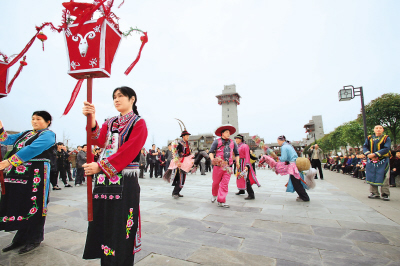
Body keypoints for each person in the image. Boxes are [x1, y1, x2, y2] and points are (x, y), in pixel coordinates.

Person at [82, 86, 147, 265]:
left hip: (125, 180)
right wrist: (92, 118)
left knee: (121, 224)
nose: (116, 99)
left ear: (132, 99)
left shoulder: (138, 122)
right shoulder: (109, 122)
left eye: (121, 96)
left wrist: (100, 166)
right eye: (114, 97)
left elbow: (129, 150)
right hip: (104, 181)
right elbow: (98, 140)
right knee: (104, 222)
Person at [0, 111, 56, 254]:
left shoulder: (48, 135)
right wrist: (0, 128)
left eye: (38, 119)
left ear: (48, 121)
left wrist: (9, 161)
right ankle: (20, 238)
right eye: (33, 119)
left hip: (37, 173)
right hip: (19, 174)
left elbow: (33, 149)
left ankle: (34, 238)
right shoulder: (26, 133)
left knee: (34, 204)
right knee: (20, 203)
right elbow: (6, 139)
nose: (34, 121)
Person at [208, 124, 240, 208]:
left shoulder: (233, 142)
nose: (228, 134)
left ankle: (221, 200)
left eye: (229, 132)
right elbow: (211, 152)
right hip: (218, 166)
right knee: (215, 183)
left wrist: (237, 162)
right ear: (222, 134)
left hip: (228, 166)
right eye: (226, 132)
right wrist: (212, 159)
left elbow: (237, 154)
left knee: (225, 184)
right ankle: (214, 195)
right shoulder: (216, 141)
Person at [272, 135, 310, 202]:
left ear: (281, 141)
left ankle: (305, 197)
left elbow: (284, 158)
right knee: (297, 181)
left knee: (296, 182)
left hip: (293, 165)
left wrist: (277, 158)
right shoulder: (289, 145)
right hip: (296, 163)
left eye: (278, 141)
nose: (278, 143)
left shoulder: (284, 147)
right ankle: (302, 196)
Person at [163, 120, 194, 199]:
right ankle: (175, 192)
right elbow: (175, 153)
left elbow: (189, 153)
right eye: (187, 136)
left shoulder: (188, 144)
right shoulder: (179, 144)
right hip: (180, 163)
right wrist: (177, 162)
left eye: (188, 136)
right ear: (183, 136)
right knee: (180, 178)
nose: (188, 137)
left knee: (183, 178)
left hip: (185, 163)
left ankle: (177, 192)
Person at [363, 125, 391, 201]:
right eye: (376, 128)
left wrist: (375, 154)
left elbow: (386, 148)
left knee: (385, 177)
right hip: (371, 160)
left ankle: (385, 194)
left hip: (383, 159)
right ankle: (374, 192)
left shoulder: (386, 138)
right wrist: (369, 154)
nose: (378, 129)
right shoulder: (369, 138)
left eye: (380, 128)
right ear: (374, 130)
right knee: (372, 175)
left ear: (383, 130)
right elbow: (365, 147)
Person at [234, 134, 260, 200]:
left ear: (241, 139)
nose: (236, 140)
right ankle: (241, 190)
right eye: (235, 138)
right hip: (239, 163)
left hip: (244, 163)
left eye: (237, 138)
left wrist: (247, 165)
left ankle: (251, 194)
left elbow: (247, 156)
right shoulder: (237, 146)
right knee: (239, 177)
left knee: (246, 178)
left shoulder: (245, 146)